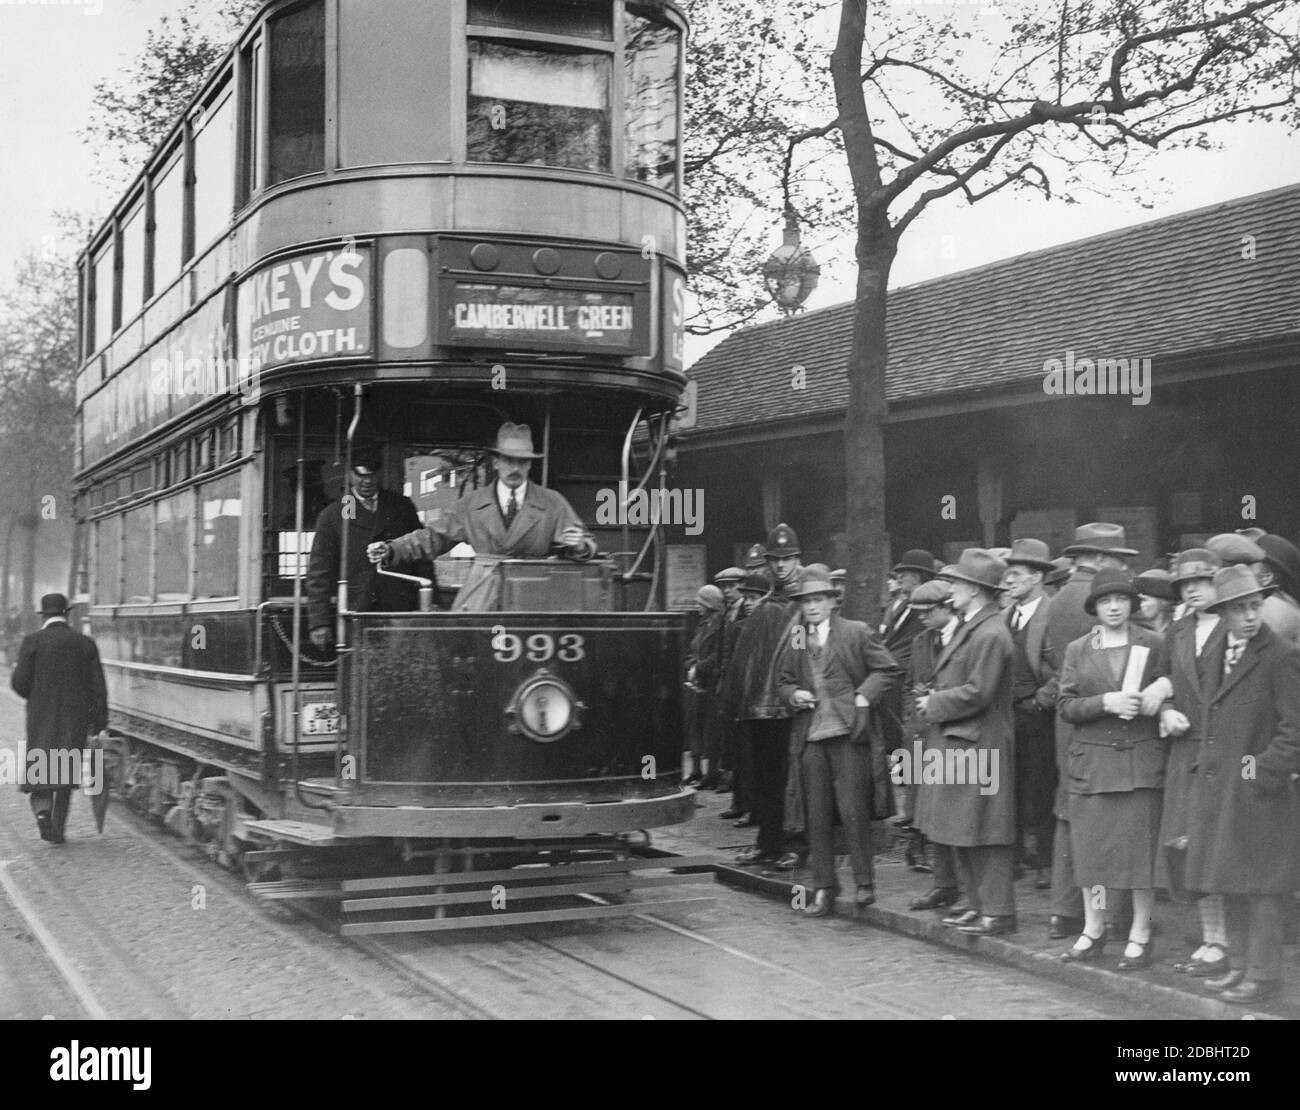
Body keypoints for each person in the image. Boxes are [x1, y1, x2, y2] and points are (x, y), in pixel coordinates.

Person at [1182, 565, 1300, 1004]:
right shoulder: (1216, 652)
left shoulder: (1281, 655)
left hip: (1259, 795)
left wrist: (1255, 774)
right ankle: (1238, 967)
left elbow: (1295, 732)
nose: (1250, 616)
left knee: (1263, 889)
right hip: (1222, 791)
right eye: (1239, 609)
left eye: (1255, 606)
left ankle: (1264, 976)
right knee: (1228, 878)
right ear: (1223, 613)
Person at [1056, 569, 1169, 971]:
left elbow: (1174, 685)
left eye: (1122, 599)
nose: (1115, 606)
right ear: (1095, 608)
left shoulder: (1154, 644)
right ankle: (1095, 927)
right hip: (1094, 764)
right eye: (1106, 601)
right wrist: (1106, 701)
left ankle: (1140, 932)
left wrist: (1164, 690)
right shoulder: (1078, 649)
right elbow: (1066, 706)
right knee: (1095, 858)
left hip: (1139, 764)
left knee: (1140, 859)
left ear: (1133, 604)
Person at [776, 566, 900, 917]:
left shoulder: (855, 633)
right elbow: (783, 680)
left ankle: (864, 884)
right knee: (815, 815)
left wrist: (863, 696)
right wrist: (794, 693)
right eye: (806, 602)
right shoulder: (799, 637)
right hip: (812, 736)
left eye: (818, 600)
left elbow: (887, 670)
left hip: (849, 734)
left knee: (852, 810)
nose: (812, 607)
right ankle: (824, 888)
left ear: (833, 602)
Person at [1043, 522, 1138, 940]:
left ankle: (1064, 911)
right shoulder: (1098, 599)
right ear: (1099, 559)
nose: (1124, 570)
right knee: (1105, 822)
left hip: (1068, 721)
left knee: (1071, 812)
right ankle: (1110, 916)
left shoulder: (1058, 596)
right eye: (1120, 560)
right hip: (1102, 724)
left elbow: (1038, 659)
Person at [918, 549, 1017, 936]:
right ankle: (978, 906)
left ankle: (997, 911)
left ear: (975, 590)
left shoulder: (990, 632)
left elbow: (980, 691)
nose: (951, 590)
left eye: (957, 583)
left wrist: (934, 702)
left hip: (979, 743)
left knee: (987, 830)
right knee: (966, 829)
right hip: (964, 742)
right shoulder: (974, 626)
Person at [369, 423, 597, 572]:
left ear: (529, 465)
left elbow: (586, 544)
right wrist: (392, 549)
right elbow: (433, 537)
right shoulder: (472, 504)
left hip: (535, 601)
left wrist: (579, 546)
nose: (514, 468)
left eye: (522, 462)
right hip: (484, 600)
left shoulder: (552, 502)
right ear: (496, 462)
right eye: (508, 460)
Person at [1157, 547, 1230, 977]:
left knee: (1220, 844)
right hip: (1185, 749)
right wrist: (1165, 710)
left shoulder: (1233, 627)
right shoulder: (1178, 630)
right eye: (1186, 585)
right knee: (1188, 847)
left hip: (1223, 750)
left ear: (1216, 583)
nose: (1193, 591)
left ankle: (1229, 942)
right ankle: (1210, 938)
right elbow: (1164, 679)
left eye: (1201, 582)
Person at [722, 524, 802, 868]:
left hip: (790, 704)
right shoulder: (766, 603)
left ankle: (793, 845)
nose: (781, 566)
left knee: (792, 779)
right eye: (775, 560)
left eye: (787, 559)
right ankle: (768, 842)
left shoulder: (803, 599)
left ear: (798, 560)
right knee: (767, 777)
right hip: (762, 707)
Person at [10, 594, 108, 844]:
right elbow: (98, 687)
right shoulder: (85, 643)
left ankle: (43, 814)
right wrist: (99, 723)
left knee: (41, 770)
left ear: (44, 616)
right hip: (74, 720)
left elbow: (19, 683)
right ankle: (58, 830)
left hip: (41, 717)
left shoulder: (32, 642)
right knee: (65, 775)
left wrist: (37, 694)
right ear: (66, 614)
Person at [305, 447, 426, 649]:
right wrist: (319, 622)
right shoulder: (336, 514)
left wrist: (430, 600)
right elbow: (319, 572)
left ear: (379, 473)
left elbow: (421, 555)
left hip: (399, 608)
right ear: (349, 474)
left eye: (372, 475)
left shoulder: (401, 507)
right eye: (360, 475)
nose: (367, 481)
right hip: (357, 609)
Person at [1001, 538, 1058, 891]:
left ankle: (1046, 862)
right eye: (1008, 574)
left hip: (1038, 715)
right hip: (1007, 715)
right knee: (1011, 786)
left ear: (1037, 576)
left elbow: (1065, 668)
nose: (1008, 581)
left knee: (1042, 788)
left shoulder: (1051, 613)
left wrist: (1042, 700)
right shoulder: (1007, 616)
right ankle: (1016, 857)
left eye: (1016, 574)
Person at [905, 579, 965, 910]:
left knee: (961, 813)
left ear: (947, 608)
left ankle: (967, 887)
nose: (922, 618)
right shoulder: (920, 641)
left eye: (928, 612)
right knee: (932, 813)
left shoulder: (968, 637)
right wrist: (913, 725)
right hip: (929, 734)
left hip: (962, 736)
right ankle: (944, 884)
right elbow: (911, 684)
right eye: (917, 613)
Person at [719, 572, 768, 823]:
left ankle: (752, 807)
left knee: (752, 757)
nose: (749, 603)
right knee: (737, 754)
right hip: (737, 698)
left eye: (755, 598)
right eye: (746, 598)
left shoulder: (767, 628)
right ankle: (739, 802)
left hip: (757, 700)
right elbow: (730, 663)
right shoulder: (738, 627)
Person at [684, 584, 725, 786]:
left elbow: (717, 655)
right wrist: (691, 665)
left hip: (711, 684)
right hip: (697, 684)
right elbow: (693, 650)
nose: (697, 605)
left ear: (709, 604)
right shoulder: (702, 624)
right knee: (696, 727)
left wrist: (698, 668)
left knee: (711, 730)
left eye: (700, 602)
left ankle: (712, 773)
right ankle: (696, 770)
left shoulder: (720, 625)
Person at [1133, 568, 1176, 634]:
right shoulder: (1135, 632)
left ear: (1163, 603)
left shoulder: (1181, 631)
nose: (1140, 605)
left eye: (1144, 600)